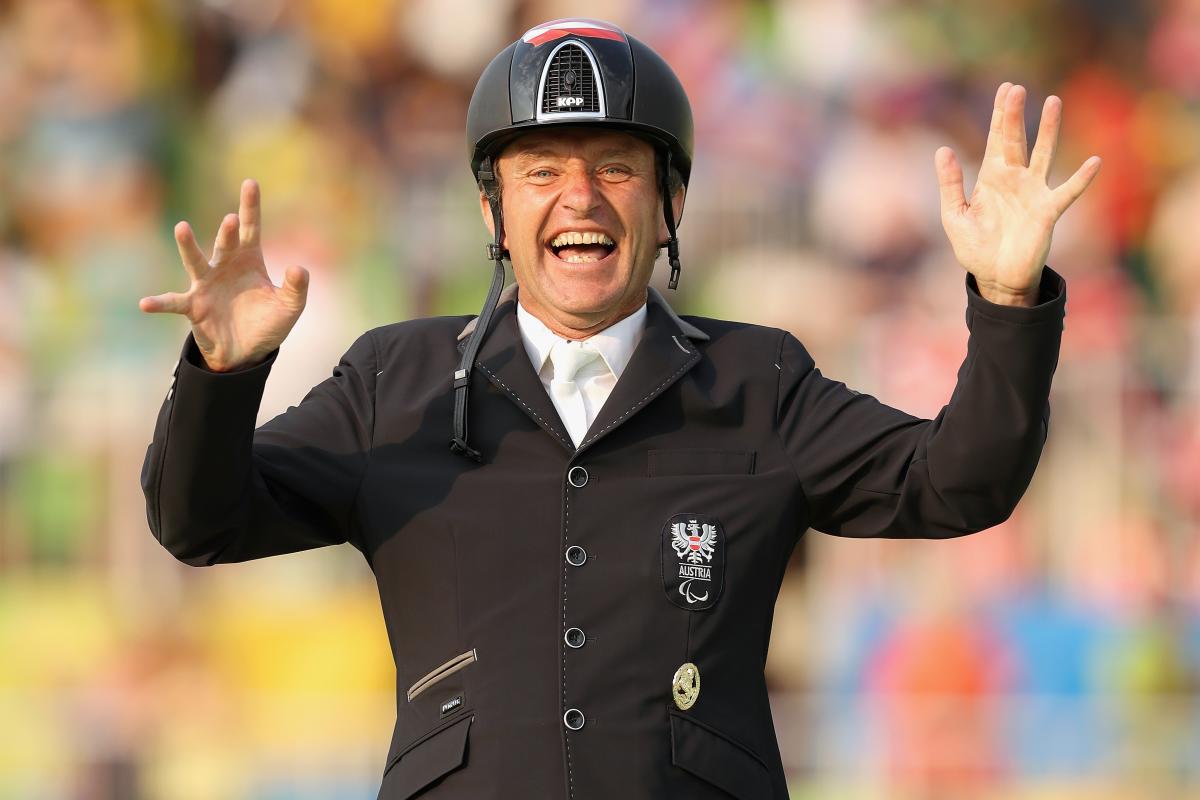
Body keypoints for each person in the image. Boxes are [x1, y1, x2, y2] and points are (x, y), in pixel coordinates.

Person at [137, 17, 1101, 800]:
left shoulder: (756, 381)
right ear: (492, 210)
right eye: (541, 171)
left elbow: (959, 483)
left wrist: (1011, 303)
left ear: (669, 200)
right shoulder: (399, 380)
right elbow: (199, 521)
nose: (580, 197)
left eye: (616, 167)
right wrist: (222, 376)